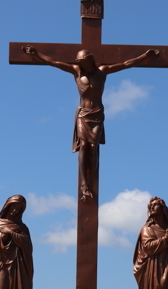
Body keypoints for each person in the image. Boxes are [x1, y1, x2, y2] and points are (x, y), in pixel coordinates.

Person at [22, 45, 159, 201]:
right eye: (79, 62)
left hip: (96, 115)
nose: (82, 65)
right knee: (84, 148)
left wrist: (145, 57)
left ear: (90, 61)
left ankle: (90, 182)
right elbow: (55, 63)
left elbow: (126, 64)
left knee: (93, 148)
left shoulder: (102, 71)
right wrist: (37, 55)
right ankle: (84, 186)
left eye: (84, 62)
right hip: (83, 115)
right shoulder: (77, 71)